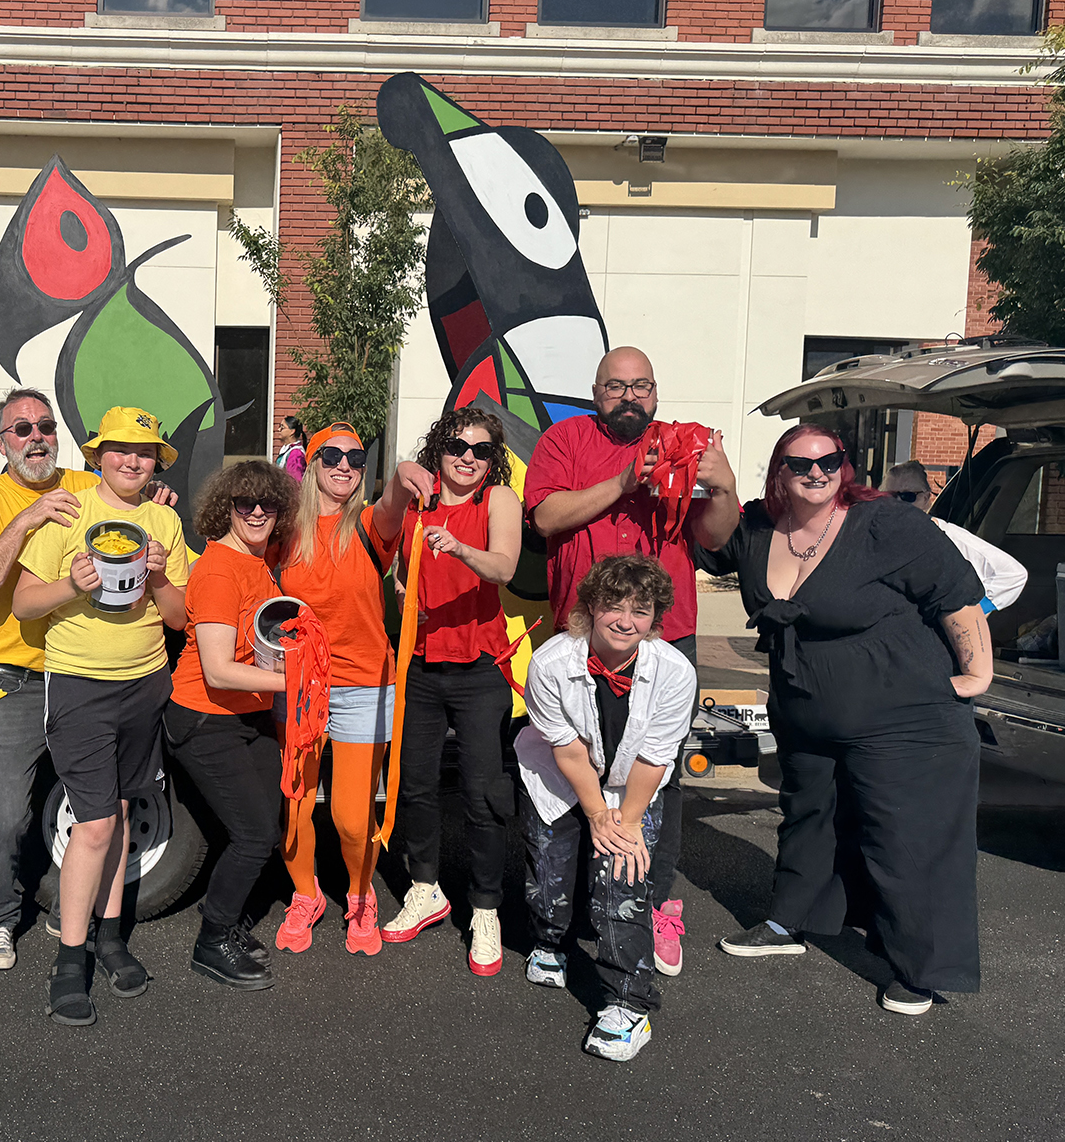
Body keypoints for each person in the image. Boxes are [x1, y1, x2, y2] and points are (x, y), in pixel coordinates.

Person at [704, 425, 991, 1015]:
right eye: (800, 463)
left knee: (906, 839)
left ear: (845, 466)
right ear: (778, 471)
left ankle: (920, 967)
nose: (817, 472)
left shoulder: (886, 524)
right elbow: (710, 542)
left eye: (829, 460)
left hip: (901, 714)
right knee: (810, 816)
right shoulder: (759, 524)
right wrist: (721, 484)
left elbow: (956, 597)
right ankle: (792, 922)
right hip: (807, 712)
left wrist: (976, 674)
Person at [522, 345, 739, 977]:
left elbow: (715, 535)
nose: (629, 397)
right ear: (596, 392)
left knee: (658, 774)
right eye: (616, 387)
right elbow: (545, 516)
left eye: (641, 386)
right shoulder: (564, 440)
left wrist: (720, 483)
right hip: (583, 633)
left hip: (663, 636)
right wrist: (624, 482)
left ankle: (653, 903)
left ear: (655, 393)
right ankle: (569, 907)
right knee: (572, 765)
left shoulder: (685, 443)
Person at [0, 388, 176, 971]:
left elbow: (128, 495)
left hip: (87, 673)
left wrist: (154, 498)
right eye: (20, 430)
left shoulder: (79, 485)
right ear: (2, 443)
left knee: (105, 812)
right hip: (9, 674)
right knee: (8, 812)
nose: (35, 437)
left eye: (44, 426)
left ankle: (82, 921)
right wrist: (26, 520)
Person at [13, 406, 188, 1027]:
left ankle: (110, 937)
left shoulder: (164, 518)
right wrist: (72, 586)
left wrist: (164, 577)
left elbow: (176, 617)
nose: (131, 460)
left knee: (117, 814)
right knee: (90, 824)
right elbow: (23, 602)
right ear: (97, 454)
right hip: (80, 684)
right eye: (118, 449)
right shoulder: (68, 509)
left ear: (156, 462)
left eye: (144, 452)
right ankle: (68, 957)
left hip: (144, 682)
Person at [515, 554, 696, 1062]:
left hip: (630, 787)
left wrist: (626, 822)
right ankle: (551, 941)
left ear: (655, 618)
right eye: (614, 606)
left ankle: (628, 1004)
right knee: (549, 873)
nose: (625, 621)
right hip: (561, 774)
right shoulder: (551, 663)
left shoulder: (674, 672)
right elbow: (568, 749)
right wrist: (595, 813)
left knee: (623, 877)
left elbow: (654, 755)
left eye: (640, 611)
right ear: (591, 606)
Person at [273, 422, 433, 955]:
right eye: (332, 456)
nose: (344, 466)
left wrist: (404, 475)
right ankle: (306, 895)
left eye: (356, 458)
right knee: (294, 809)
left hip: (364, 685)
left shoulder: (368, 525)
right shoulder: (284, 531)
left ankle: (361, 895)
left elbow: (392, 504)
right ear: (310, 463)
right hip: (300, 683)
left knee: (348, 815)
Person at [381, 406, 525, 979]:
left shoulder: (498, 502)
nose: (468, 457)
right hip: (419, 664)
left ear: (493, 460)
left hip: (480, 667)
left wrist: (461, 549)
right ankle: (425, 889)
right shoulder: (419, 501)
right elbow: (393, 556)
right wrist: (400, 586)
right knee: (414, 784)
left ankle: (485, 908)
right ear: (438, 450)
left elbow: (505, 567)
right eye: (456, 447)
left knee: (483, 793)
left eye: (481, 450)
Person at [165, 461, 298, 989]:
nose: (259, 512)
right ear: (227, 508)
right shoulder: (221, 568)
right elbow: (218, 669)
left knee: (264, 827)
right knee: (255, 833)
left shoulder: (259, 564)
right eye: (246, 504)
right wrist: (303, 682)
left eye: (269, 504)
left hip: (247, 714)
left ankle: (228, 920)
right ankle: (212, 940)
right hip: (205, 717)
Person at [882, 460, 1026, 615]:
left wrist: (973, 613)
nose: (897, 503)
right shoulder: (875, 537)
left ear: (925, 499)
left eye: (907, 496)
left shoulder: (949, 537)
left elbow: (1013, 575)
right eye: (889, 496)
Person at [274, 415, 306, 481]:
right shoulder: (287, 449)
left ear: (292, 431)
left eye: (282, 427)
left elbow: (295, 480)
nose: (279, 429)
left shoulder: (296, 453)